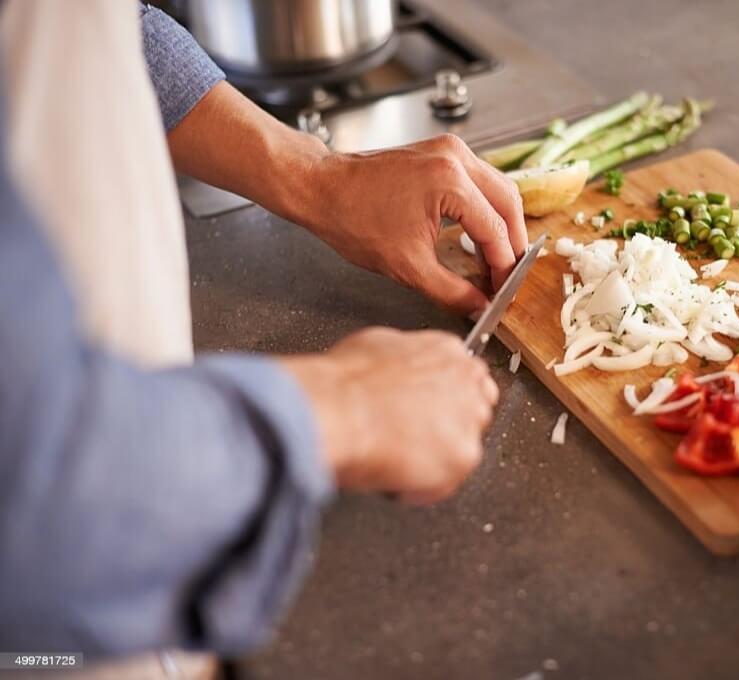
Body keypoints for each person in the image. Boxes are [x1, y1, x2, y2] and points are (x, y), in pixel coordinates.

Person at [0, 0, 526, 673]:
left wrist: (319, 179)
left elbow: (96, 26)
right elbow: (34, 499)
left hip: (151, 568)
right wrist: (346, 404)